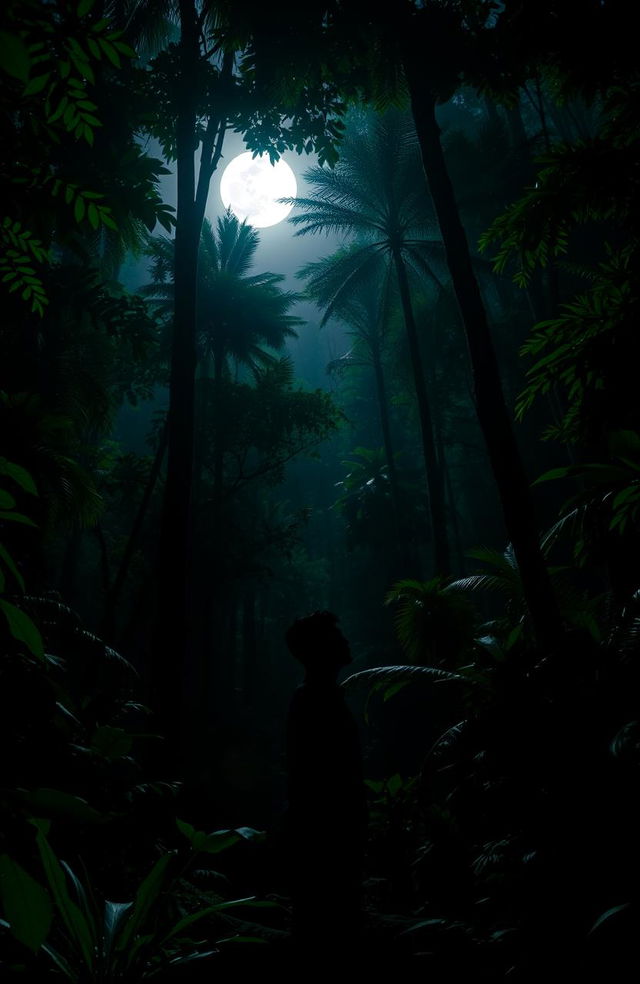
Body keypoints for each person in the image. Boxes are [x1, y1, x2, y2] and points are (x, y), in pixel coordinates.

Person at [283, 611, 367, 957]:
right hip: (326, 835)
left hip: (328, 833)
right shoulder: (313, 699)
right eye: (336, 637)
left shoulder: (320, 696)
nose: (345, 642)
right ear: (321, 649)